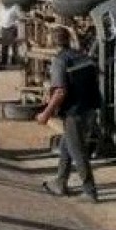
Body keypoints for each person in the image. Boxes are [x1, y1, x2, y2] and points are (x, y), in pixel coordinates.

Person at [37, 26, 103, 203]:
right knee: (67, 145)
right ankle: (60, 182)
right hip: (90, 109)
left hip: (74, 113)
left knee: (77, 151)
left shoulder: (60, 61)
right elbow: (96, 76)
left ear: (52, 41)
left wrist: (45, 114)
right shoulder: (84, 57)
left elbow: (60, 92)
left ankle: (90, 191)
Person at [0, 3, 24, 67]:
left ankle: (14, 61)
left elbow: (20, 17)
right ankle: (4, 61)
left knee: (13, 46)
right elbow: (1, 19)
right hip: (4, 28)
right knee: (4, 46)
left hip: (12, 28)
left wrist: (16, 23)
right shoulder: (2, 7)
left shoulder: (15, 7)